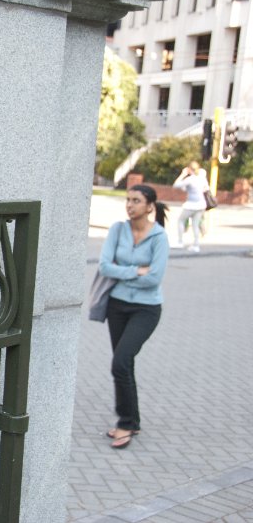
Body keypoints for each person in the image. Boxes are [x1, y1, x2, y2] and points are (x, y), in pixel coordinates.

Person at [98, 184, 169, 449]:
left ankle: (125, 424)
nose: (130, 205)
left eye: (136, 200)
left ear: (150, 206)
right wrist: (135, 271)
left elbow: (154, 278)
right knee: (124, 365)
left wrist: (124, 271)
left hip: (146, 309)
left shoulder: (159, 237)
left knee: (121, 362)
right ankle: (133, 421)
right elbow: (105, 266)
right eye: (128, 200)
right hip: (117, 307)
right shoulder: (118, 229)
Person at [172, 160, 210, 252]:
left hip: (191, 205)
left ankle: (180, 242)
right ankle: (196, 245)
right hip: (201, 204)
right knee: (195, 225)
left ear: (189, 169)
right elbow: (206, 188)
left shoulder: (190, 179)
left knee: (180, 220)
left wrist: (182, 174)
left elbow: (176, 185)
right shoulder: (201, 178)